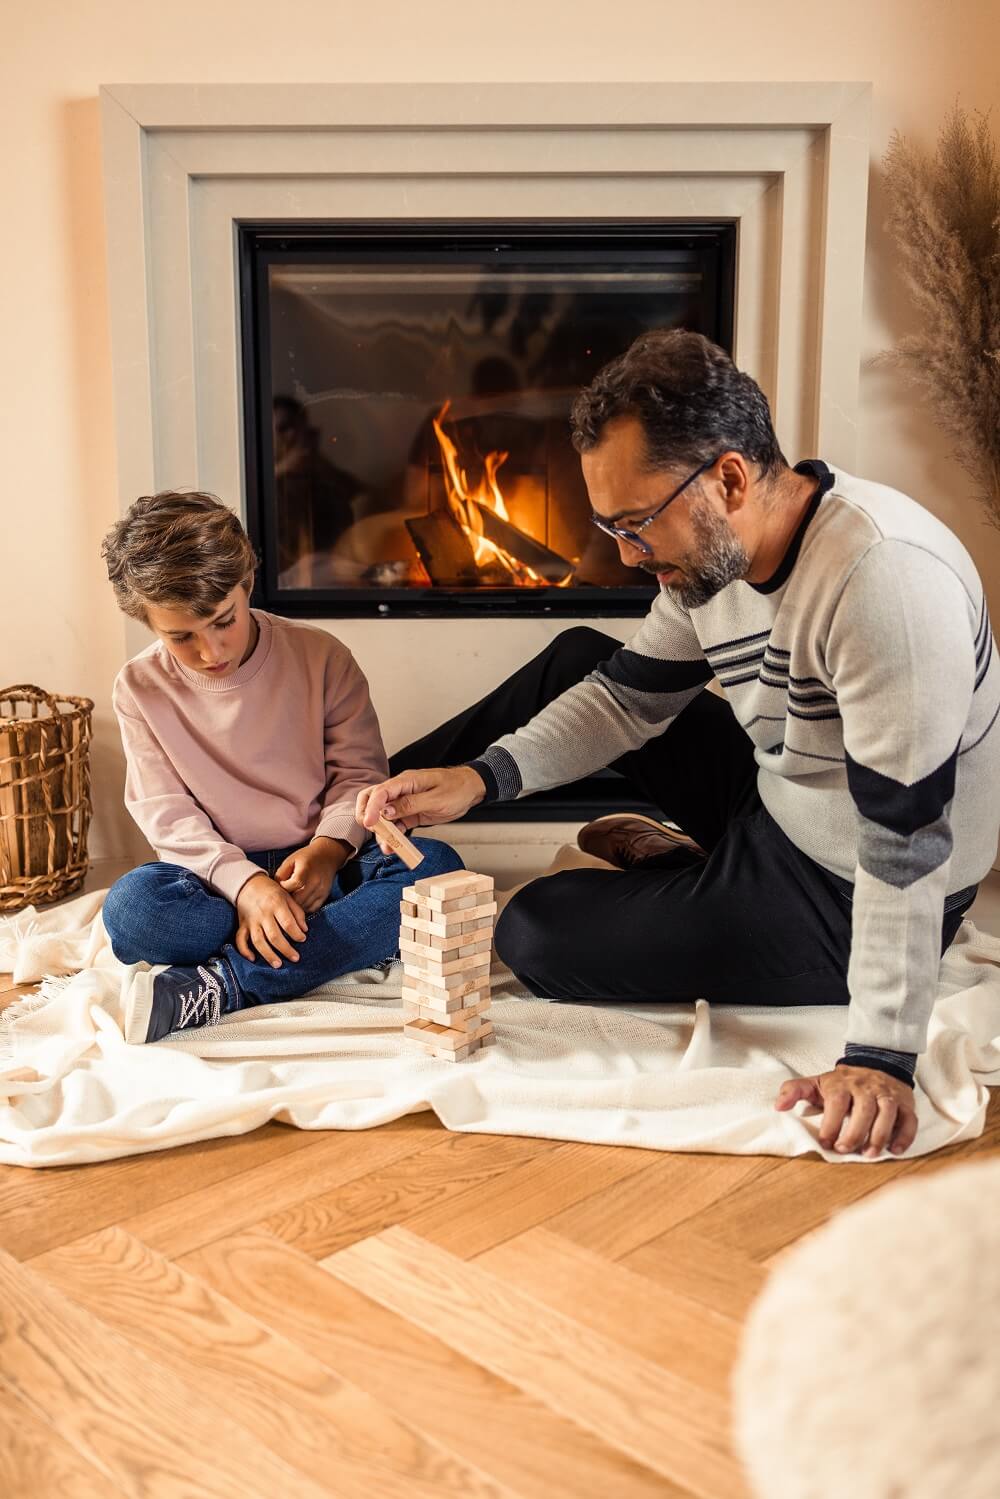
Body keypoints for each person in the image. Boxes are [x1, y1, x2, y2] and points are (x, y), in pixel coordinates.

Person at [357, 329, 1000, 1159]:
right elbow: (627, 699)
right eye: (607, 525)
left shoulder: (884, 583)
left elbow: (905, 842)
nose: (626, 554)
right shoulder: (710, 561)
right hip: (785, 791)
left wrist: (879, 1054)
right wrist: (480, 779)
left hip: (850, 880)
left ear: (729, 477)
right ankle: (680, 866)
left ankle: (695, 874)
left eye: (637, 523)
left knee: (534, 933)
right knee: (583, 659)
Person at [100, 490, 463, 1043]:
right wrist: (246, 889)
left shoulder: (321, 656)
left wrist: (326, 852)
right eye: (181, 637)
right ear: (147, 622)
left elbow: (360, 775)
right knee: (133, 911)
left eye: (224, 621)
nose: (210, 650)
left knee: (435, 869)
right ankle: (315, 947)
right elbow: (167, 815)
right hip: (214, 884)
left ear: (246, 583)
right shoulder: (138, 688)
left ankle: (227, 982)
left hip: (325, 870)